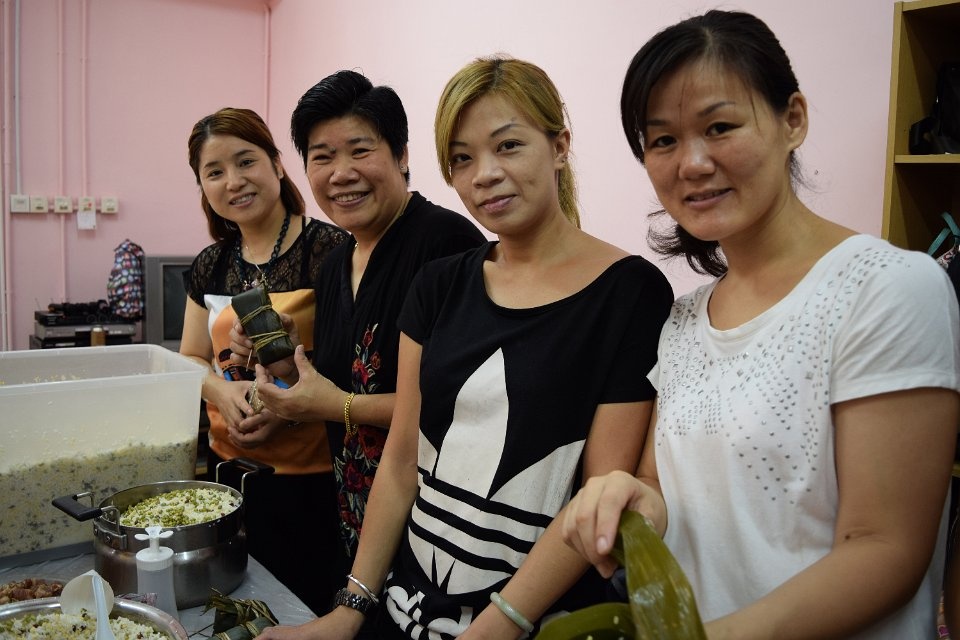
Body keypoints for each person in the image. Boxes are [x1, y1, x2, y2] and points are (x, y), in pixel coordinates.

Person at [560, 10, 960, 639]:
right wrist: (629, 500)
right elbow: (659, 484)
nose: (692, 163)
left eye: (719, 127)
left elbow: (885, 550)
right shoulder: (685, 318)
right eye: (662, 141)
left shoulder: (887, 288)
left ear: (792, 119)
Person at [257, 56, 674, 640]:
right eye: (462, 158)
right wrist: (350, 609)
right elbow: (403, 460)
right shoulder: (440, 284)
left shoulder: (629, 293)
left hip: (536, 619)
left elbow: (596, 498)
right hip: (406, 606)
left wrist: (494, 629)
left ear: (559, 147)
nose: (485, 175)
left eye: (508, 146)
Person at [229, 71, 485, 579]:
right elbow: (344, 380)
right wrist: (287, 362)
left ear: (402, 155)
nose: (341, 173)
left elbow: (463, 406)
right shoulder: (334, 265)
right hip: (355, 525)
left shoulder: (447, 244)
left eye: (360, 151)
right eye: (322, 157)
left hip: (435, 534)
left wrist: (333, 405)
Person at [180, 107, 349, 614]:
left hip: (315, 477)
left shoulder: (332, 250)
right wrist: (222, 391)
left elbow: (352, 365)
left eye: (245, 161)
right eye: (214, 171)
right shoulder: (210, 264)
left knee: (305, 608)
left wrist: (286, 409)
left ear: (276, 164)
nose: (233, 181)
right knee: (236, 605)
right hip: (230, 473)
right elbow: (191, 357)